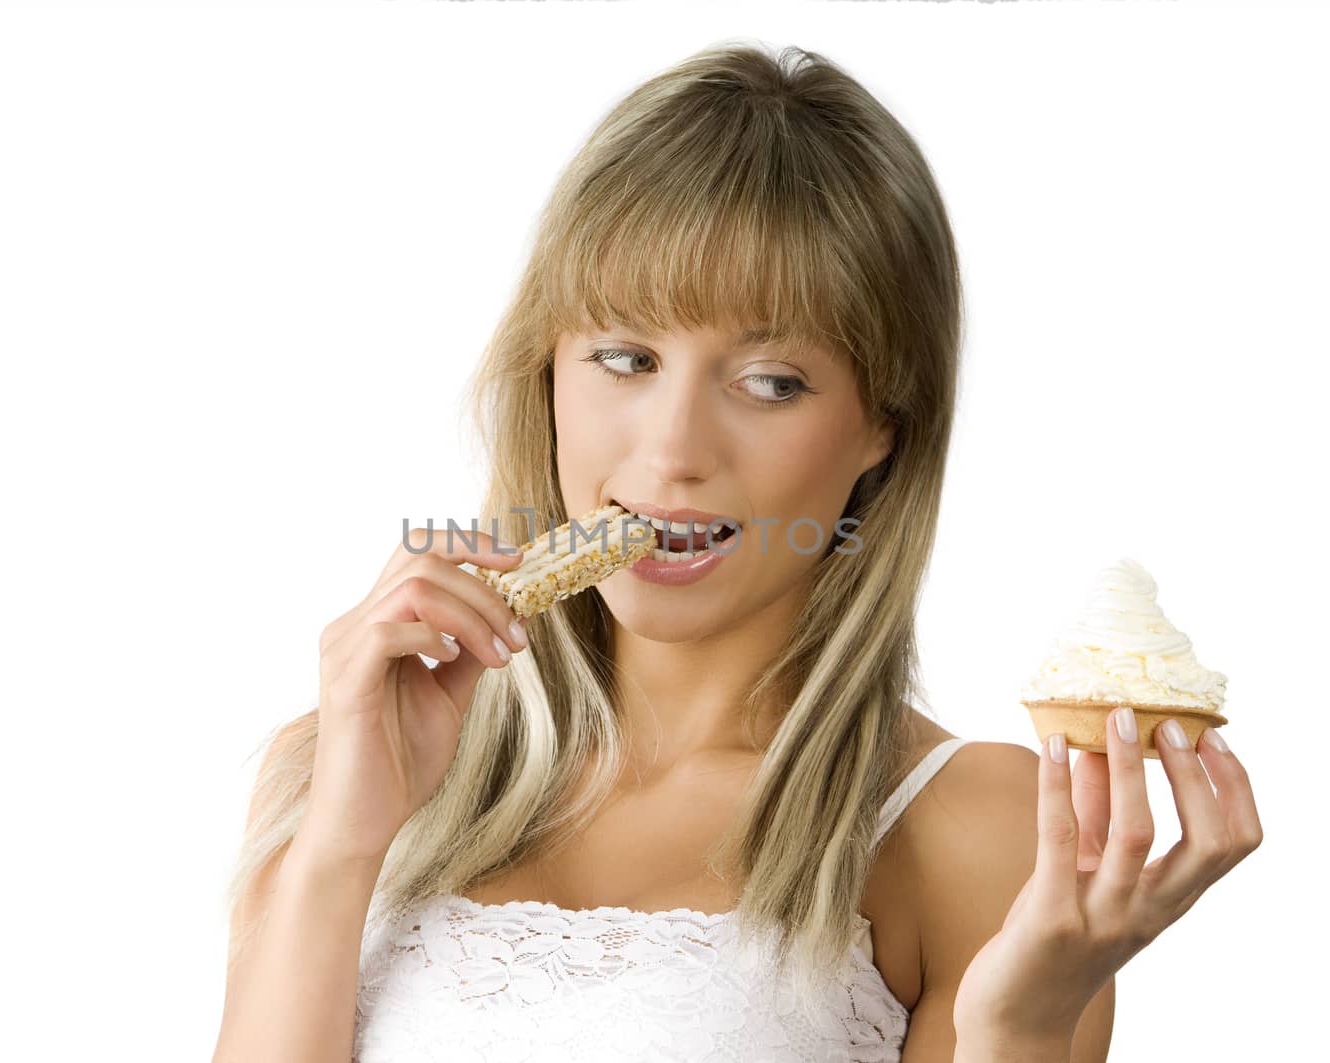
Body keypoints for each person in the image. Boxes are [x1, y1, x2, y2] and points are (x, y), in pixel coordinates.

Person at [210, 41, 1263, 1063]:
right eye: (625, 357)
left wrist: (1021, 1035)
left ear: (882, 424)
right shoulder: (332, 767)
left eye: (770, 381)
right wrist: (343, 845)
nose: (671, 452)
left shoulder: (971, 828)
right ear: (548, 375)